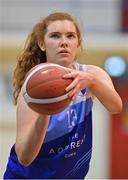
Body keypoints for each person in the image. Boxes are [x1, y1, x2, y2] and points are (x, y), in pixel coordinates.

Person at [3, 12, 122, 179]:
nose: (64, 42)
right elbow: (24, 158)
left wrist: (92, 82)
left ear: (78, 43)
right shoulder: (32, 90)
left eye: (70, 36)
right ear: (42, 44)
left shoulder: (91, 75)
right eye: (55, 36)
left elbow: (116, 107)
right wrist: (44, 113)